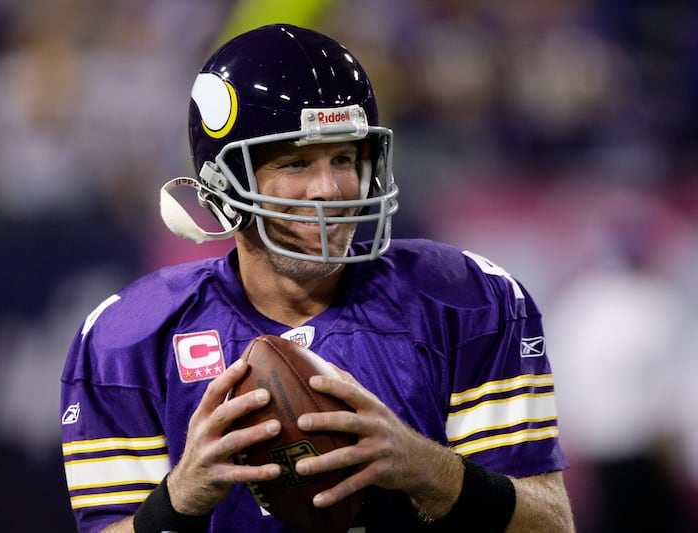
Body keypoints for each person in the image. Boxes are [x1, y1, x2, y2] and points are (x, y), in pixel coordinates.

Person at [61, 24, 574, 532]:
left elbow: (549, 525)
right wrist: (178, 502)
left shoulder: (464, 301)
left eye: (345, 158)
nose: (329, 189)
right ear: (221, 185)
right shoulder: (130, 339)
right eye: (296, 162)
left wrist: (424, 467)